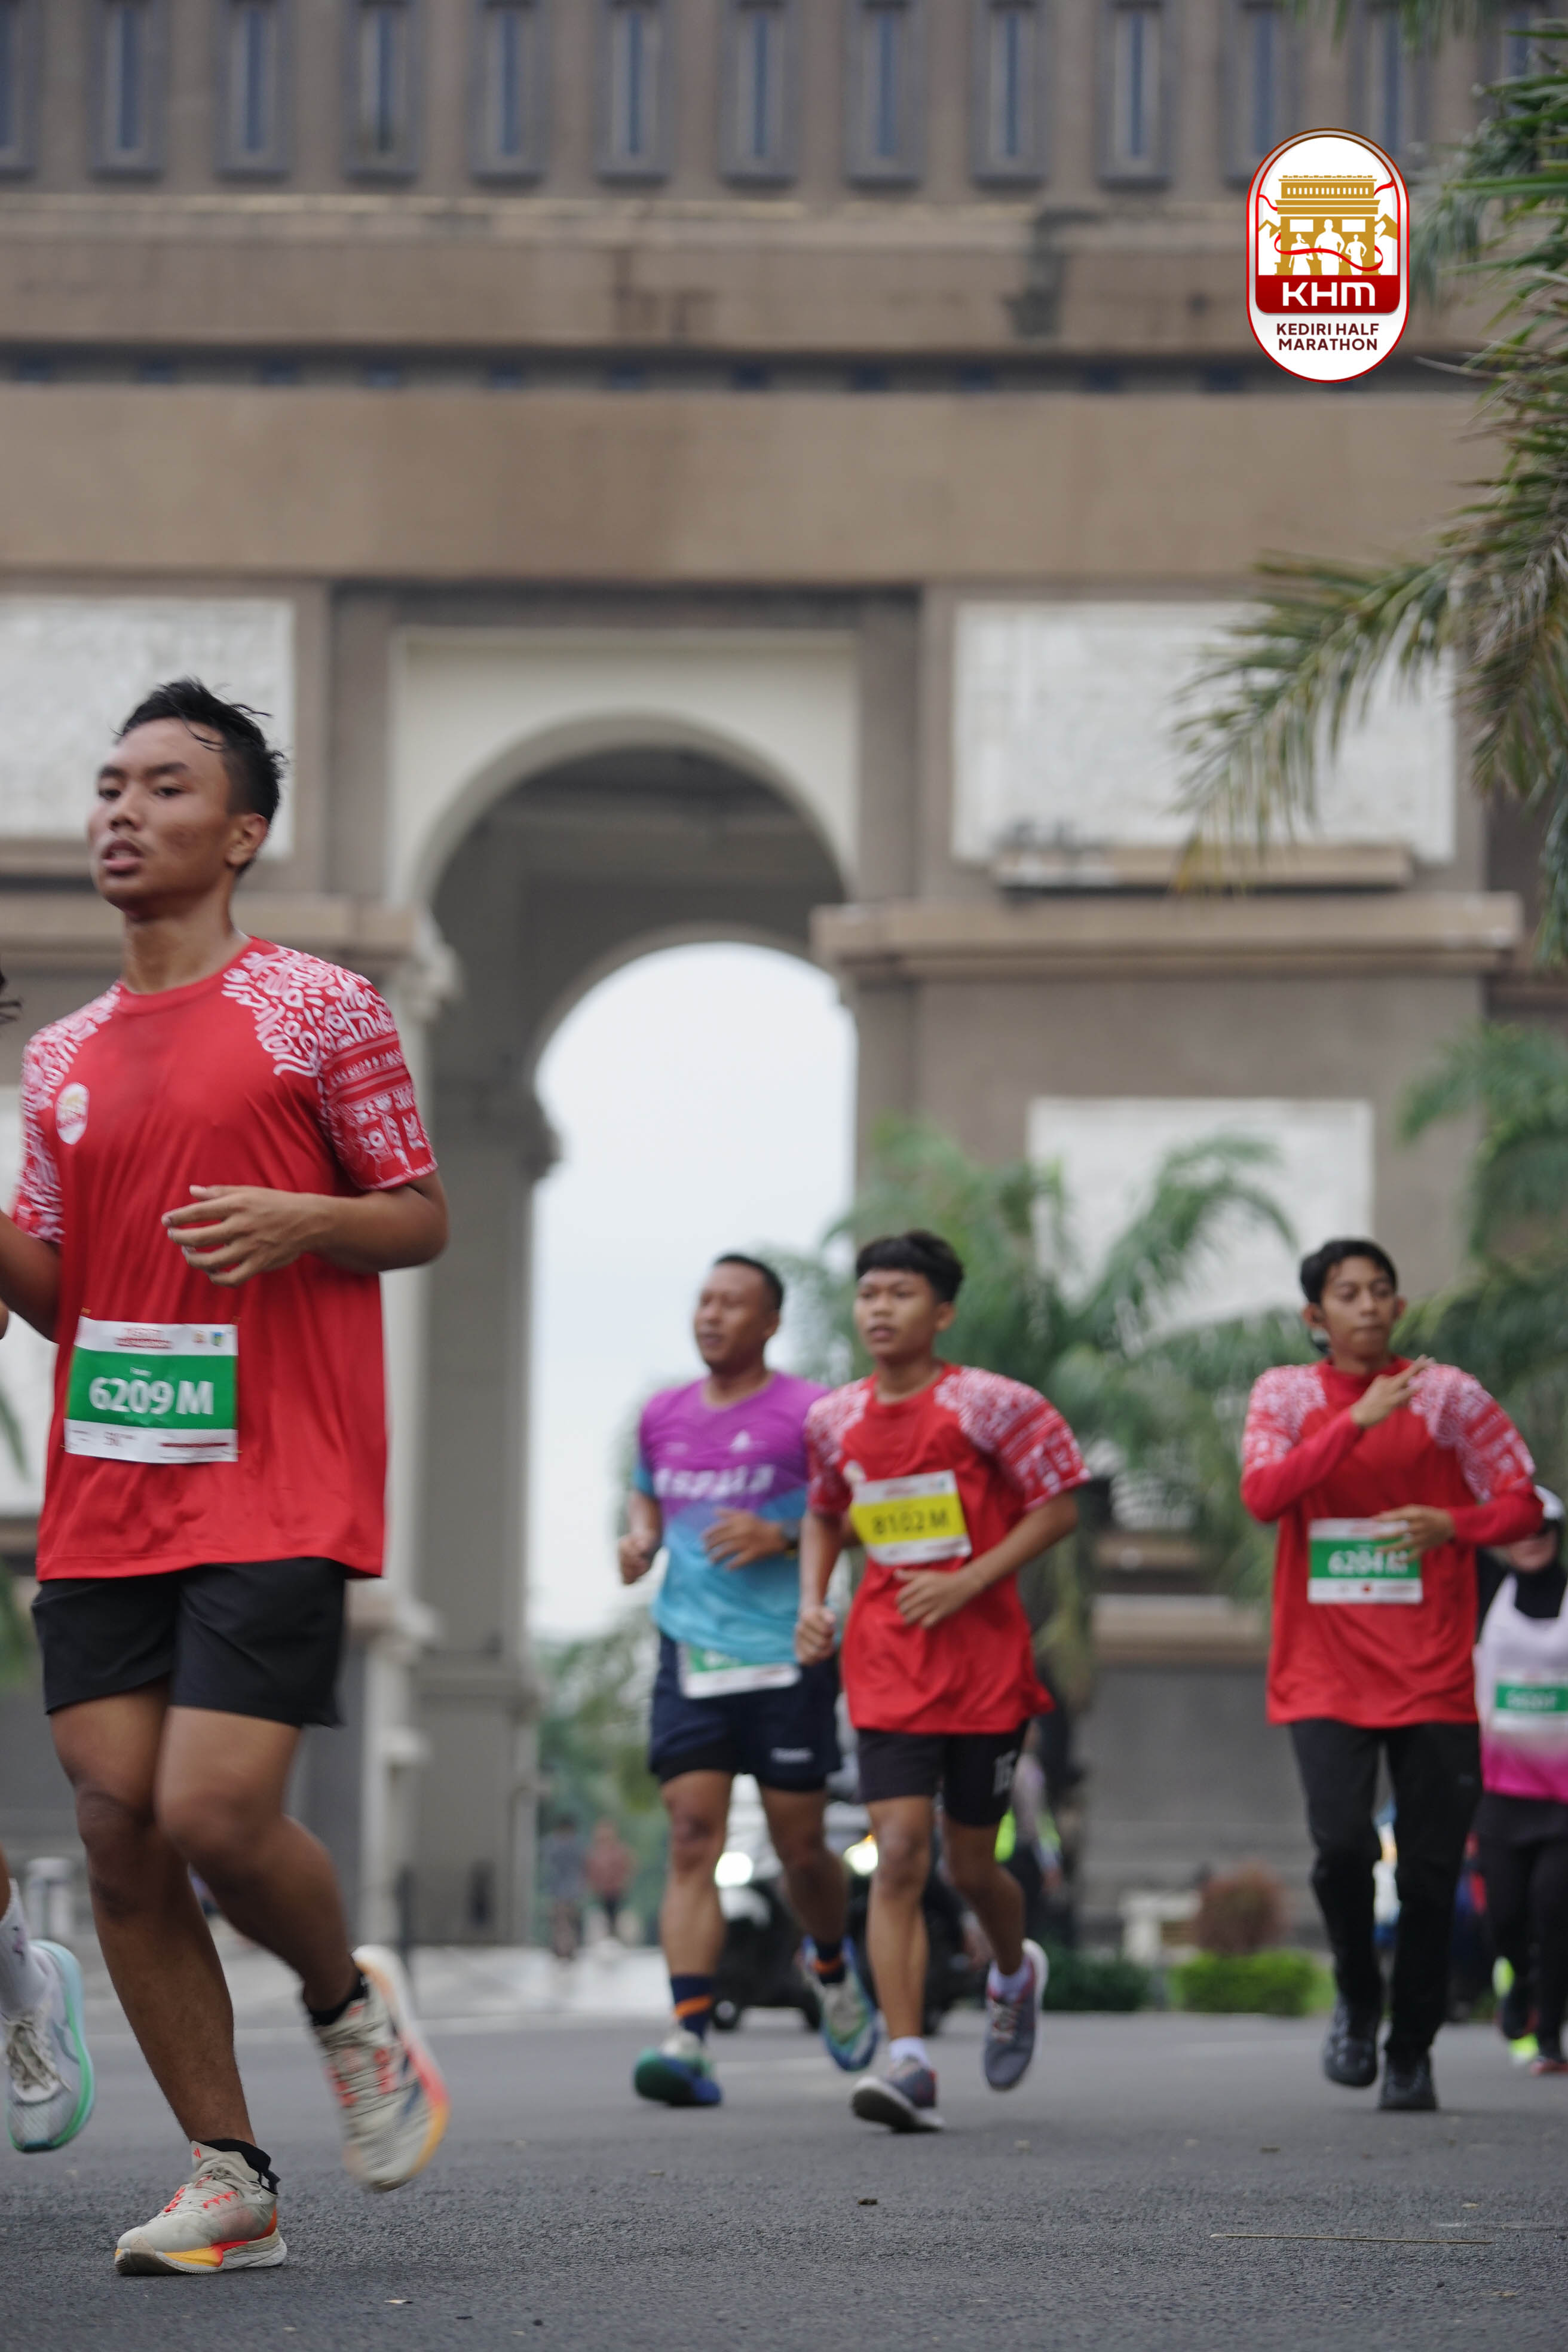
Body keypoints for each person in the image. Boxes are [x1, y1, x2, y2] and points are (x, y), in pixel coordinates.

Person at [0, 681, 450, 2273]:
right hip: (109, 1477)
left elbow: (419, 1214)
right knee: (119, 1823)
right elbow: (61, 1295)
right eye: (109, 786)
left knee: (209, 1809)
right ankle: (229, 2177)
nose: (123, 811)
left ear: (243, 832)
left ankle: (348, 2009)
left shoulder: (321, 1011)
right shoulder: (59, 1056)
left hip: (278, 1474)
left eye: (167, 787)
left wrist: (307, 1218)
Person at [1242, 1236, 1542, 2113]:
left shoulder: (1447, 1397)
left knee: (1429, 1875)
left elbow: (1522, 1502)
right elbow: (1263, 1496)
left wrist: (1454, 1524)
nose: (1368, 1305)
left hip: (1433, 1674)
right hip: (1323, 1672)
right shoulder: (1285, 1396)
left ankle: (1410, 2050)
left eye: (1381, 1291)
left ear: (1399, 1307)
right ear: (1316, 1315)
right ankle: (1355, 1995)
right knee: (1341, 1846)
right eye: (1348, 1293)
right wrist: (1356, 1421)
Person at [798, 1229, 1086, 2132]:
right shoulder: (833, 1419)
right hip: (885, 1667)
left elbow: (1059, 1508)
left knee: (970, 1865)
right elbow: (824, 1511)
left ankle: (1013, 1971)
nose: (880, 1309)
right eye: (868, 1294)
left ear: (943, 1311)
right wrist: (812, 1600)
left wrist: (969, 1580)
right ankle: (908, 2060)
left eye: (902, 1294)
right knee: (897, 1855)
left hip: (984, 1673)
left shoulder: (995, 1406)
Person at [620, 1254, 876, 2108]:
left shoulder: (813, 1412)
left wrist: (781, 1535)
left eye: (732, 1304)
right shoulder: (662, 1414)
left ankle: (830, 1965)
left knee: (800, 1847)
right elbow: (647, 1496)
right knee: (692, 1836)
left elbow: (861, 1512)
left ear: (769, 1323)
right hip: (690, 1650)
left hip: (786, 1652)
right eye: (704, 1300)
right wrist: (640, 1538)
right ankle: (689, 2037)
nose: (711, 1315)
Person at [1474, 1487, 1568, 2075]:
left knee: (1553, 1908)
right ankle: (1521, 1979)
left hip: (1563, 1797)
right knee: (1505, 1914)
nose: (1531, 1540)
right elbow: (1451, 1532)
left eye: (1542, 1529)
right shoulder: (1486, 1591)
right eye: (1519, 1530)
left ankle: (1550, 2036)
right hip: (1500, 1791)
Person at [584, 1817, 635, 1940]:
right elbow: (589, 1871)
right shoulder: (594, 1853)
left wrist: (623, 1882)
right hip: (601, 1892)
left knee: (617, 1918)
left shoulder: (620, 1851)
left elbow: (628, 1867)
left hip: (617, 1891)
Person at [543, 1817, 586, 1961]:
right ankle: (566, 1947)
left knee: (562, 1921)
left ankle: (562, 1947)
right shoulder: (574, 1844)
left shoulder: (553, 1844)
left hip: (561, 1889)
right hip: (568, 1889)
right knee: (566, 1920)